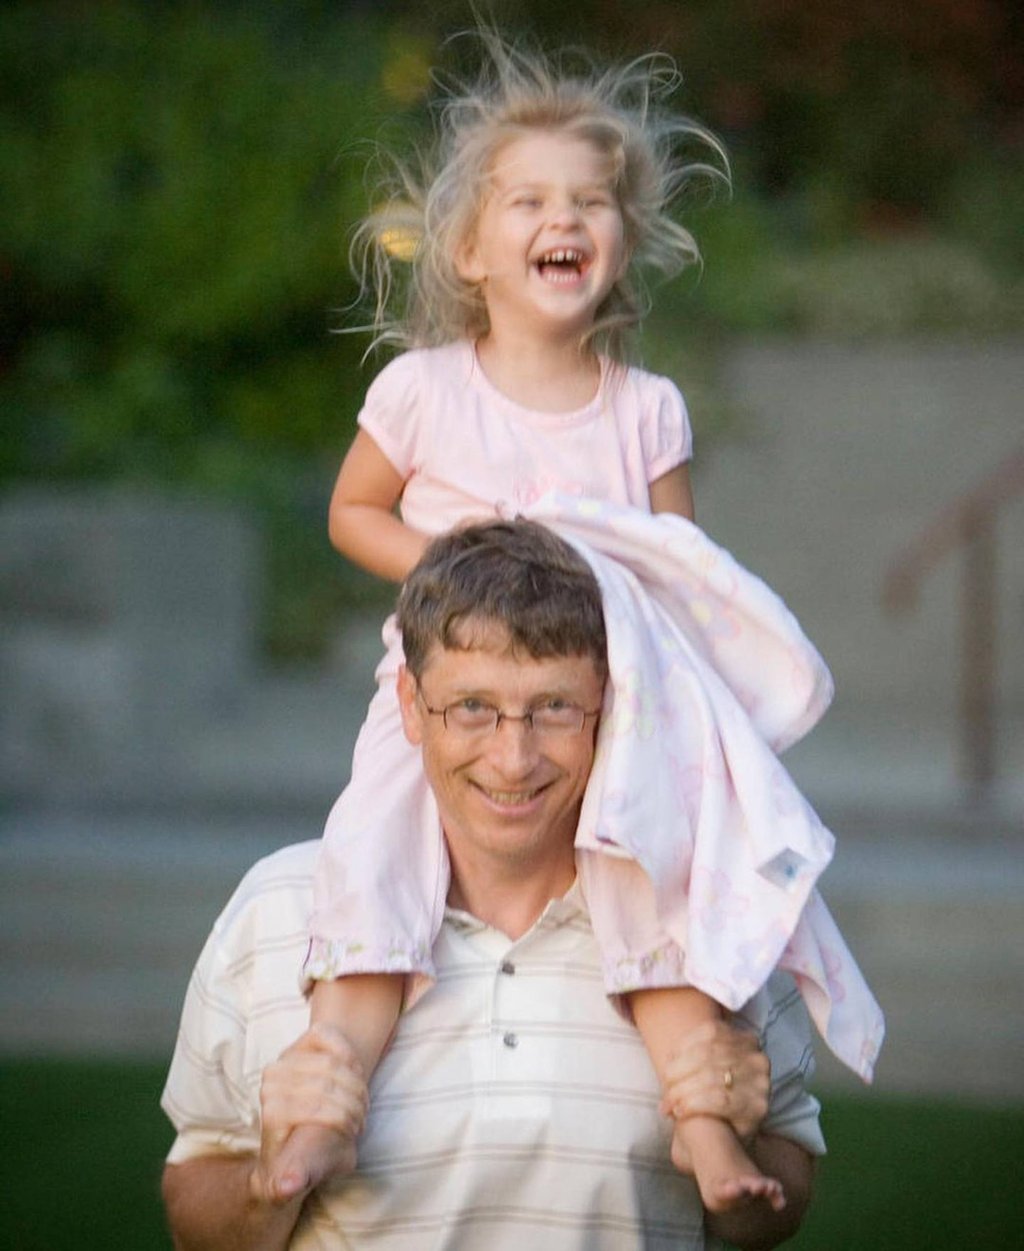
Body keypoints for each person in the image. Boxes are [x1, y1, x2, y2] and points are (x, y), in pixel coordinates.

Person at [293, 27, 884, 1214]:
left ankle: (708, 1134)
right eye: (527, 200)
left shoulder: (646, 411)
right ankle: (321, 1097)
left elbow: (676, 575)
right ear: (470, 246)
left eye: (592, 201)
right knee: (373, 863)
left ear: (618, 246)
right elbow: (353, 514)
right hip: (446, 701)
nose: (564, 217)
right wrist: (450, 560)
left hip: (602, 712)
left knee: (652, 897)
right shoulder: (425, 389)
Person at [161, 519, 824, 1251]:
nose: (513, 758)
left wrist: (739, 1135)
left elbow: (774, 1206)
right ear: (411, 705)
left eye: (554, 707)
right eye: (472, 706)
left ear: (612, 708)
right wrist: (263, 1183)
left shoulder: (714, 910)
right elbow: (196, 1208)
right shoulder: (278, 906)